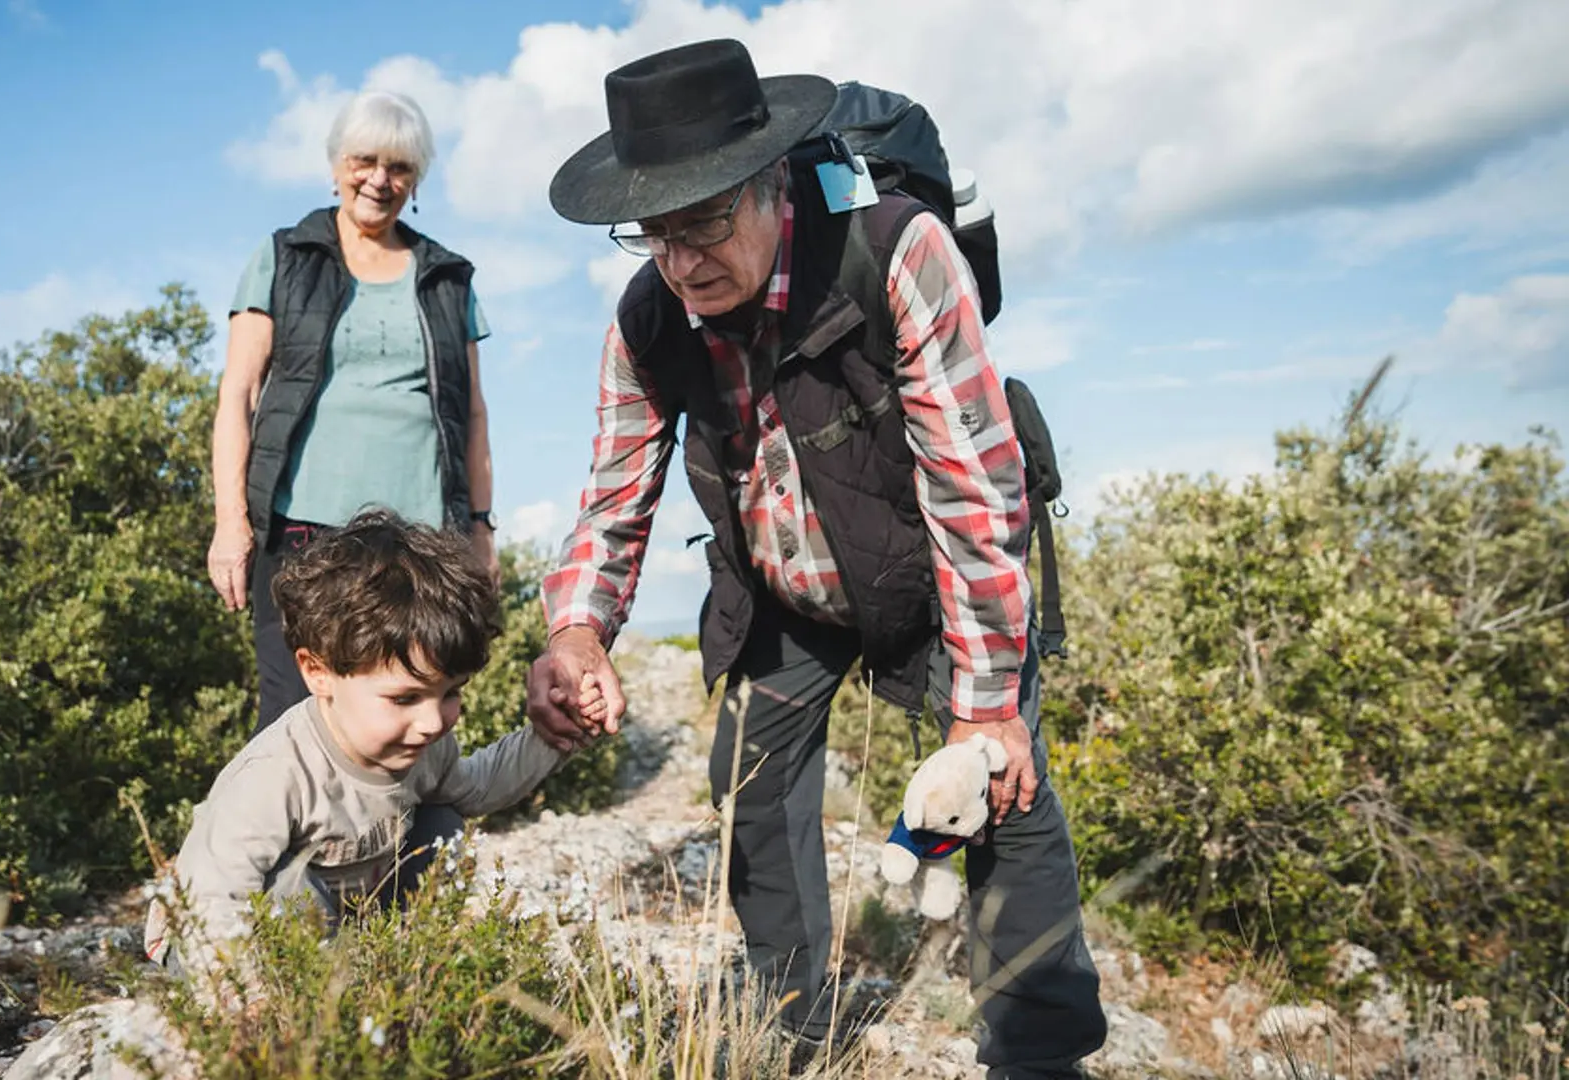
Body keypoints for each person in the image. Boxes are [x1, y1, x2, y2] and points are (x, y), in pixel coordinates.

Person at [528, 39, 1107, 1078]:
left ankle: (1038, 1056)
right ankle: (789, 1025)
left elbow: (975, 485)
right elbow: (614, 493)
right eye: (654, 233)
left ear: (769, 184)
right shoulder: (649, 319)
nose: (680, 262)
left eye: (705, 222)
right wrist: (576, 631)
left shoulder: (897, 250)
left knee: (1001, 790)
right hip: (783, 585)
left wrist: (984, 710)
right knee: (751, 779)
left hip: (933, 572)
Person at [146, 509, 598, 978]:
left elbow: (479, 788)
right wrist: (247, 999)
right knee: (290, 888)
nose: (431, 722)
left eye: (451, 693)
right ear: (318, 672)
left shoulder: (420, 745)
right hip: (209, 941)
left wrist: (558, 733)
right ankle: (310, 990)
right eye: (404, 698)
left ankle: (389, 969)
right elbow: (215, 895)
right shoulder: (275, 773)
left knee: (442, 824)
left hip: (338, 922)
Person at [205, 89, 500, 738]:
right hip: (302, 534)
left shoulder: (447, 277)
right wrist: (231, 522)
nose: (379, 180)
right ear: (336, 163)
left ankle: (410, 818)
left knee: (414, 711)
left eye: (399, 167)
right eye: (364, 160)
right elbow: (239, 394)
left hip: (421, 539)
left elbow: (473, 415)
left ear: (416, 179)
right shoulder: (285, 256)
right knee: (294, 715)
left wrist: (481, 530)